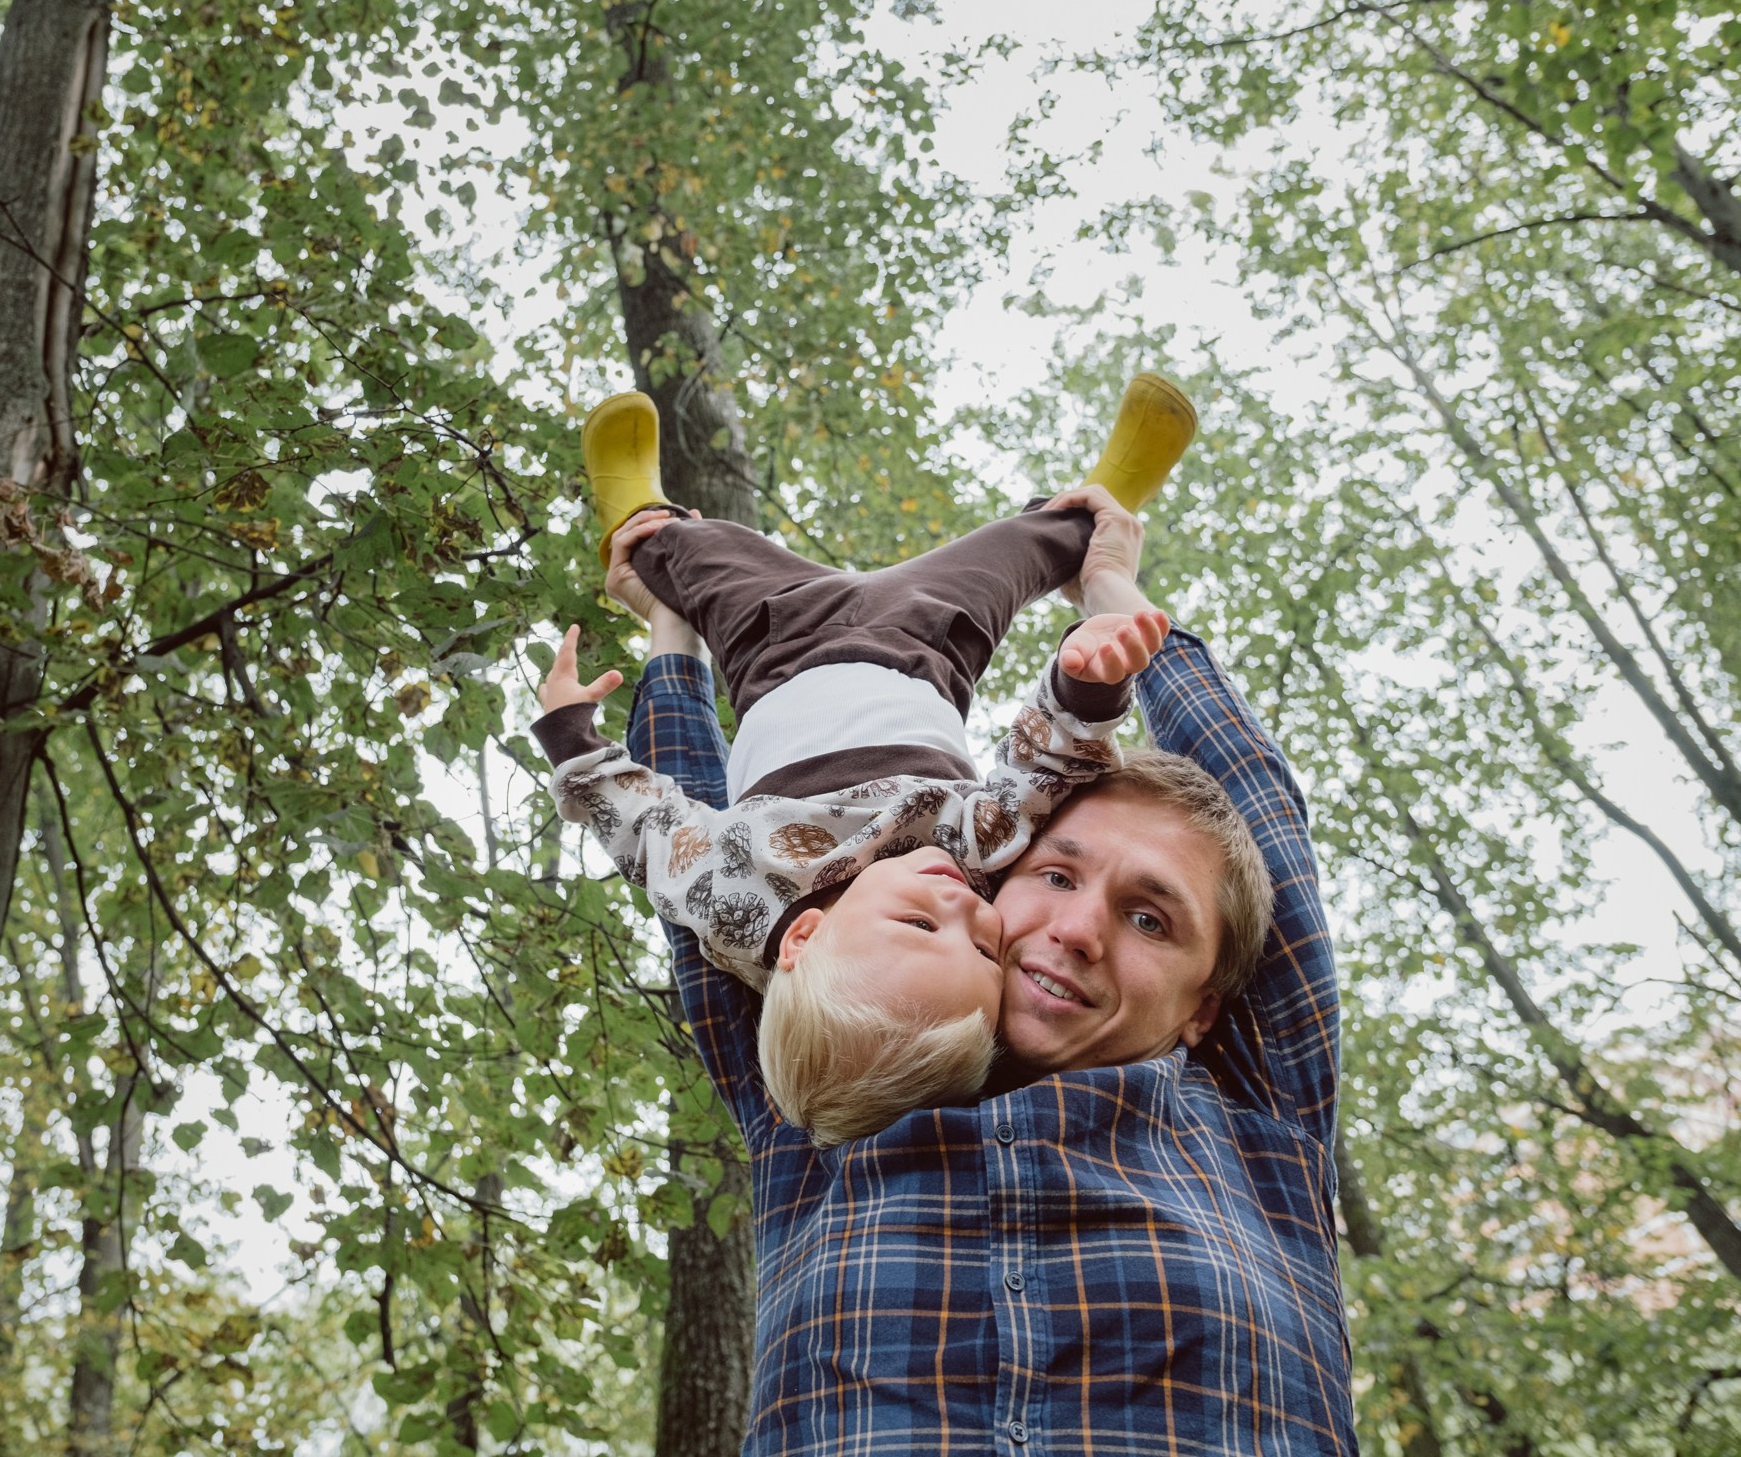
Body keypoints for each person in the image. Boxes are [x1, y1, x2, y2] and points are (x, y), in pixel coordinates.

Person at [619, 471, 1353, 1453]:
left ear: (1206, 1008)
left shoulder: (1260, 1120)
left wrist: (1114, 594)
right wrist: (672, 633)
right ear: (992, 883)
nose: (1082, 927)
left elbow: (1260, 815)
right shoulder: (830, 1097)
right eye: (1054, 875)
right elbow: (698, 875)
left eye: (1149, 917)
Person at [532, 388, 1179, 1143]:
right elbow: (1040, 774)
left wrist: (572, 741)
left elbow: (646, 833)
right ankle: (1100, 509)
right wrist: (1087, 686)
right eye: (981, 949)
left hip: (774, 643)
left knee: (688, 556)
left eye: (918, 924)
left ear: (801, 940)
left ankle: (636, 514)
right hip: (930, 641)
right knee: (1025, 549)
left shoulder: (738, 901)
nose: (967, 911)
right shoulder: (970, 860)